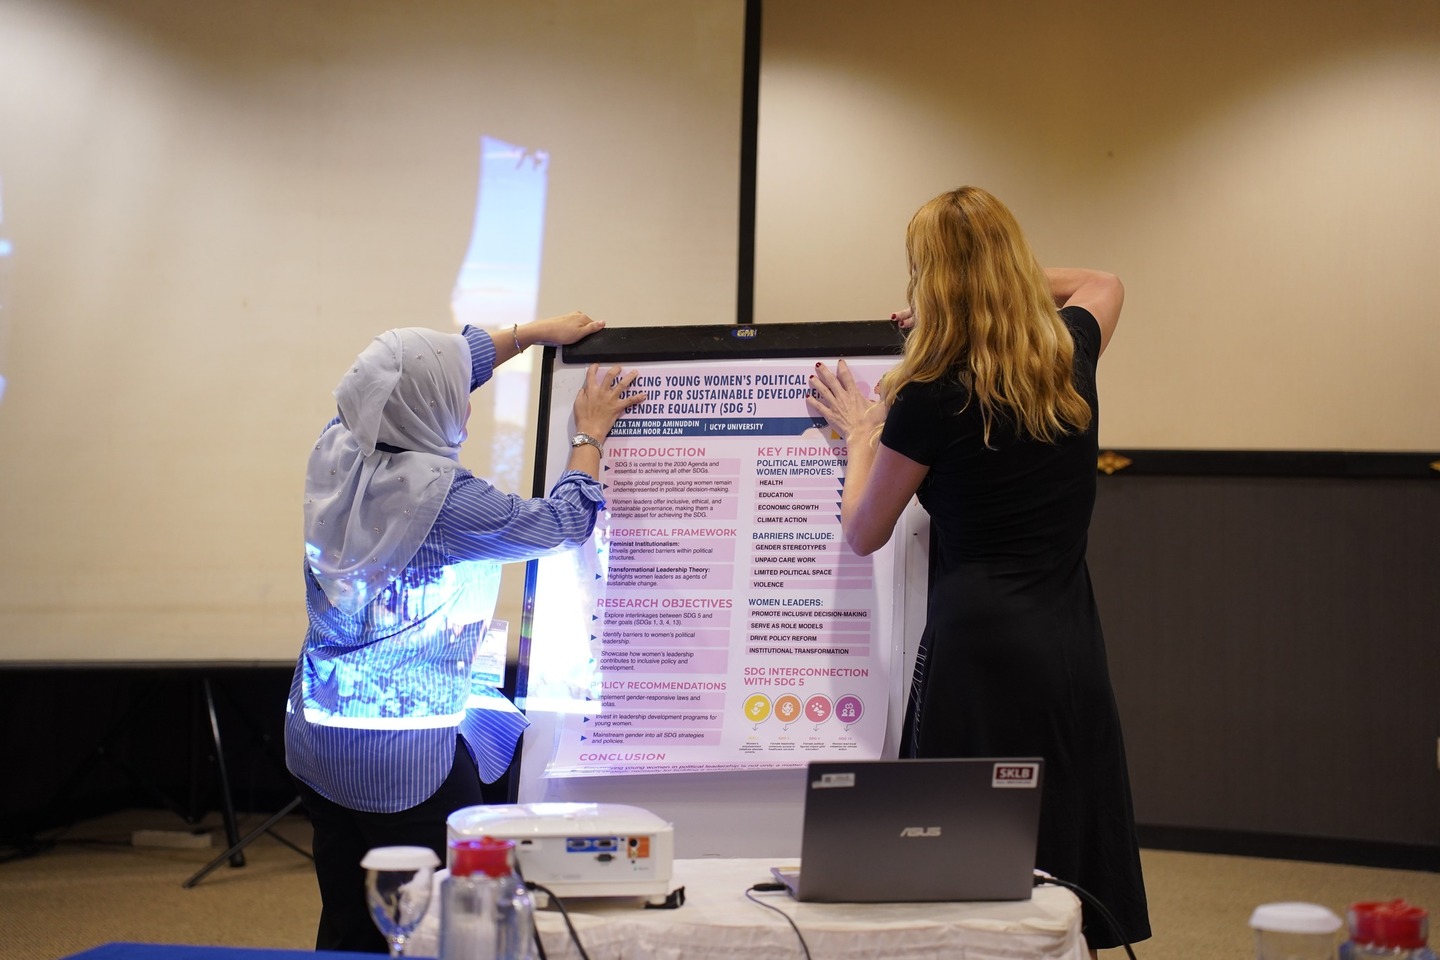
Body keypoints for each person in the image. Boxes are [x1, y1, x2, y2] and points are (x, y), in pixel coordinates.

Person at [807, 186, 1150, 955]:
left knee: (966, 854)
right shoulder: (1068, 354)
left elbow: (864, 530)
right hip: (1065, 635)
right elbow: (1103, 281)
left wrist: (860, 434)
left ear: (929, 279)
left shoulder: (930, 393)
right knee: (1063, 831)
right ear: (1014, 265)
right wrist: (988, 281)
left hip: (974, 646)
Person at [285, 312, 644, 952]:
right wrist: (589, 434)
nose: (467, 403)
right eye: (455, 393)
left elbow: (406, 377)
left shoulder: (337, 445)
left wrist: (531, 334)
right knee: (438, 923)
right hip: (405, 757)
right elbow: (562, 524)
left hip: (322, 734)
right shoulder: (445, 502)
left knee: (348, 911)